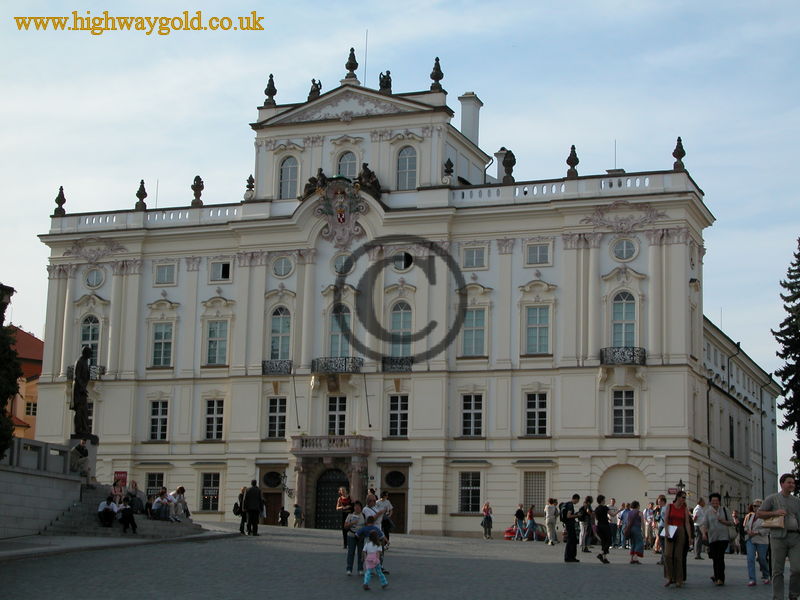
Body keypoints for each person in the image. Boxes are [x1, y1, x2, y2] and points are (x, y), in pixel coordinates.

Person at [758, 473, 800, 600]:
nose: (792, 485)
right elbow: (759, 513)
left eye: (793, 483)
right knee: (777, 570)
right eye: (789, 482)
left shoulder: (797, 501)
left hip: (795, 538)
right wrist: (774, 512)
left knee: (797, 569)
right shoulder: (772, 498)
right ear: (782, 484)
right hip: (778, 537)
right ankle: (778, 597)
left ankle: (793, 594)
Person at [662, 491, 693, 587]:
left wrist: (689, 536)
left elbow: (687, 523)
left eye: (685, 498)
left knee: (678, 556)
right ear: (678, 497)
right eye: (683, 497)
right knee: (667, 555)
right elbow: (666, 519)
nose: (684, 499)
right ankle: (669, 577)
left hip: (680, 530)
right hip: (670, 529)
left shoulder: (684, 508)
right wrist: (666, 530)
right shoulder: (670, 506)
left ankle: (679, 579)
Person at [702, 492, 733, 585]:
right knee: (715, 558)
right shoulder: (707, 511)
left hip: (723, 537)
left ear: (719, 501)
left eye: (716, 500)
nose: (715, 502)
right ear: (710, 502)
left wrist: (723, 521)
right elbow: (705, 524)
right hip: (712, 538)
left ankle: (721, 579)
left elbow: (731, 522)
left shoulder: (724, 510)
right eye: (713, 501)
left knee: (720, 557)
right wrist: (704, 534)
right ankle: (716, 576)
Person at [744, 500, 770, 586]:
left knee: (762, 559)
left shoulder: (766, 516)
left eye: (758, 506)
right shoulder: (751, 516)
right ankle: (752, 579)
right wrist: (748, 531)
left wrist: (756, 532)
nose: (756, 508)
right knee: (750, 559)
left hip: (762, 540)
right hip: (751, 539)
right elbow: (746, 526)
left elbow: (768, 529)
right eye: (754, 506)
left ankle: (766, 575)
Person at [71, 346, 92, 436]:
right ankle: (79, 429)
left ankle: (84, 428)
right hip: (78, 390)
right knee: (79, 410)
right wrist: (82, 387)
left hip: (82, 388)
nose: (91, 355)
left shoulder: (85, 362)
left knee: (84, 409)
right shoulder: (79, 362)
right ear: (85, 353)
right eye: (90, 353)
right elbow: (77, 376)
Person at [344, 500, 366, 575]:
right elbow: (345, 526)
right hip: (351, 535)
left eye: (358, 507)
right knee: (351, 552)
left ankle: (360, 569)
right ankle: (349, 569)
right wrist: (352, 523)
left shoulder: (363, 516)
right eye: (356, 507)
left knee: (361, 553)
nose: (357, 508)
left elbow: (366, 526)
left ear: (361, 508)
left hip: (360, 536)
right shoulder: (350, 516)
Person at [563, 493, 580, 562]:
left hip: (568, 524)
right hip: (570, 525)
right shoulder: (570, 505)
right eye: (578, 500)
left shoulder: (567, 504)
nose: (577, 502)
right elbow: (568, 516)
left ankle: (569, 557)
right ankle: (570, 557)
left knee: (571, 541)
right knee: (572, 541)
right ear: (575, 499)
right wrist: (577, 515)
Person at [594, 495, 611, 563]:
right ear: (602, 500)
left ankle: (604, 558)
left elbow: (596, 518)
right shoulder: (605, 507)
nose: (605, 500)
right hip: (605, 526)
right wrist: (620, 510)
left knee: (604, 542)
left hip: (599, 526)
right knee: (609, 541)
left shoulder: (597, 509)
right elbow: (612, 514)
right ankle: (601, 554)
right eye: (604, 499)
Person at [653, 494, 667, 565]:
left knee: (663, 544)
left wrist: (657, 512)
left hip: (663, 527)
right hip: (666, 527)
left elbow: (657, 518)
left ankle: (663, 560)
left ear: (663, 501)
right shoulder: (665, 508)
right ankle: (663, 559)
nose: (658, 503)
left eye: (659, 501)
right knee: (664, 545)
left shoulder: (663, 509)